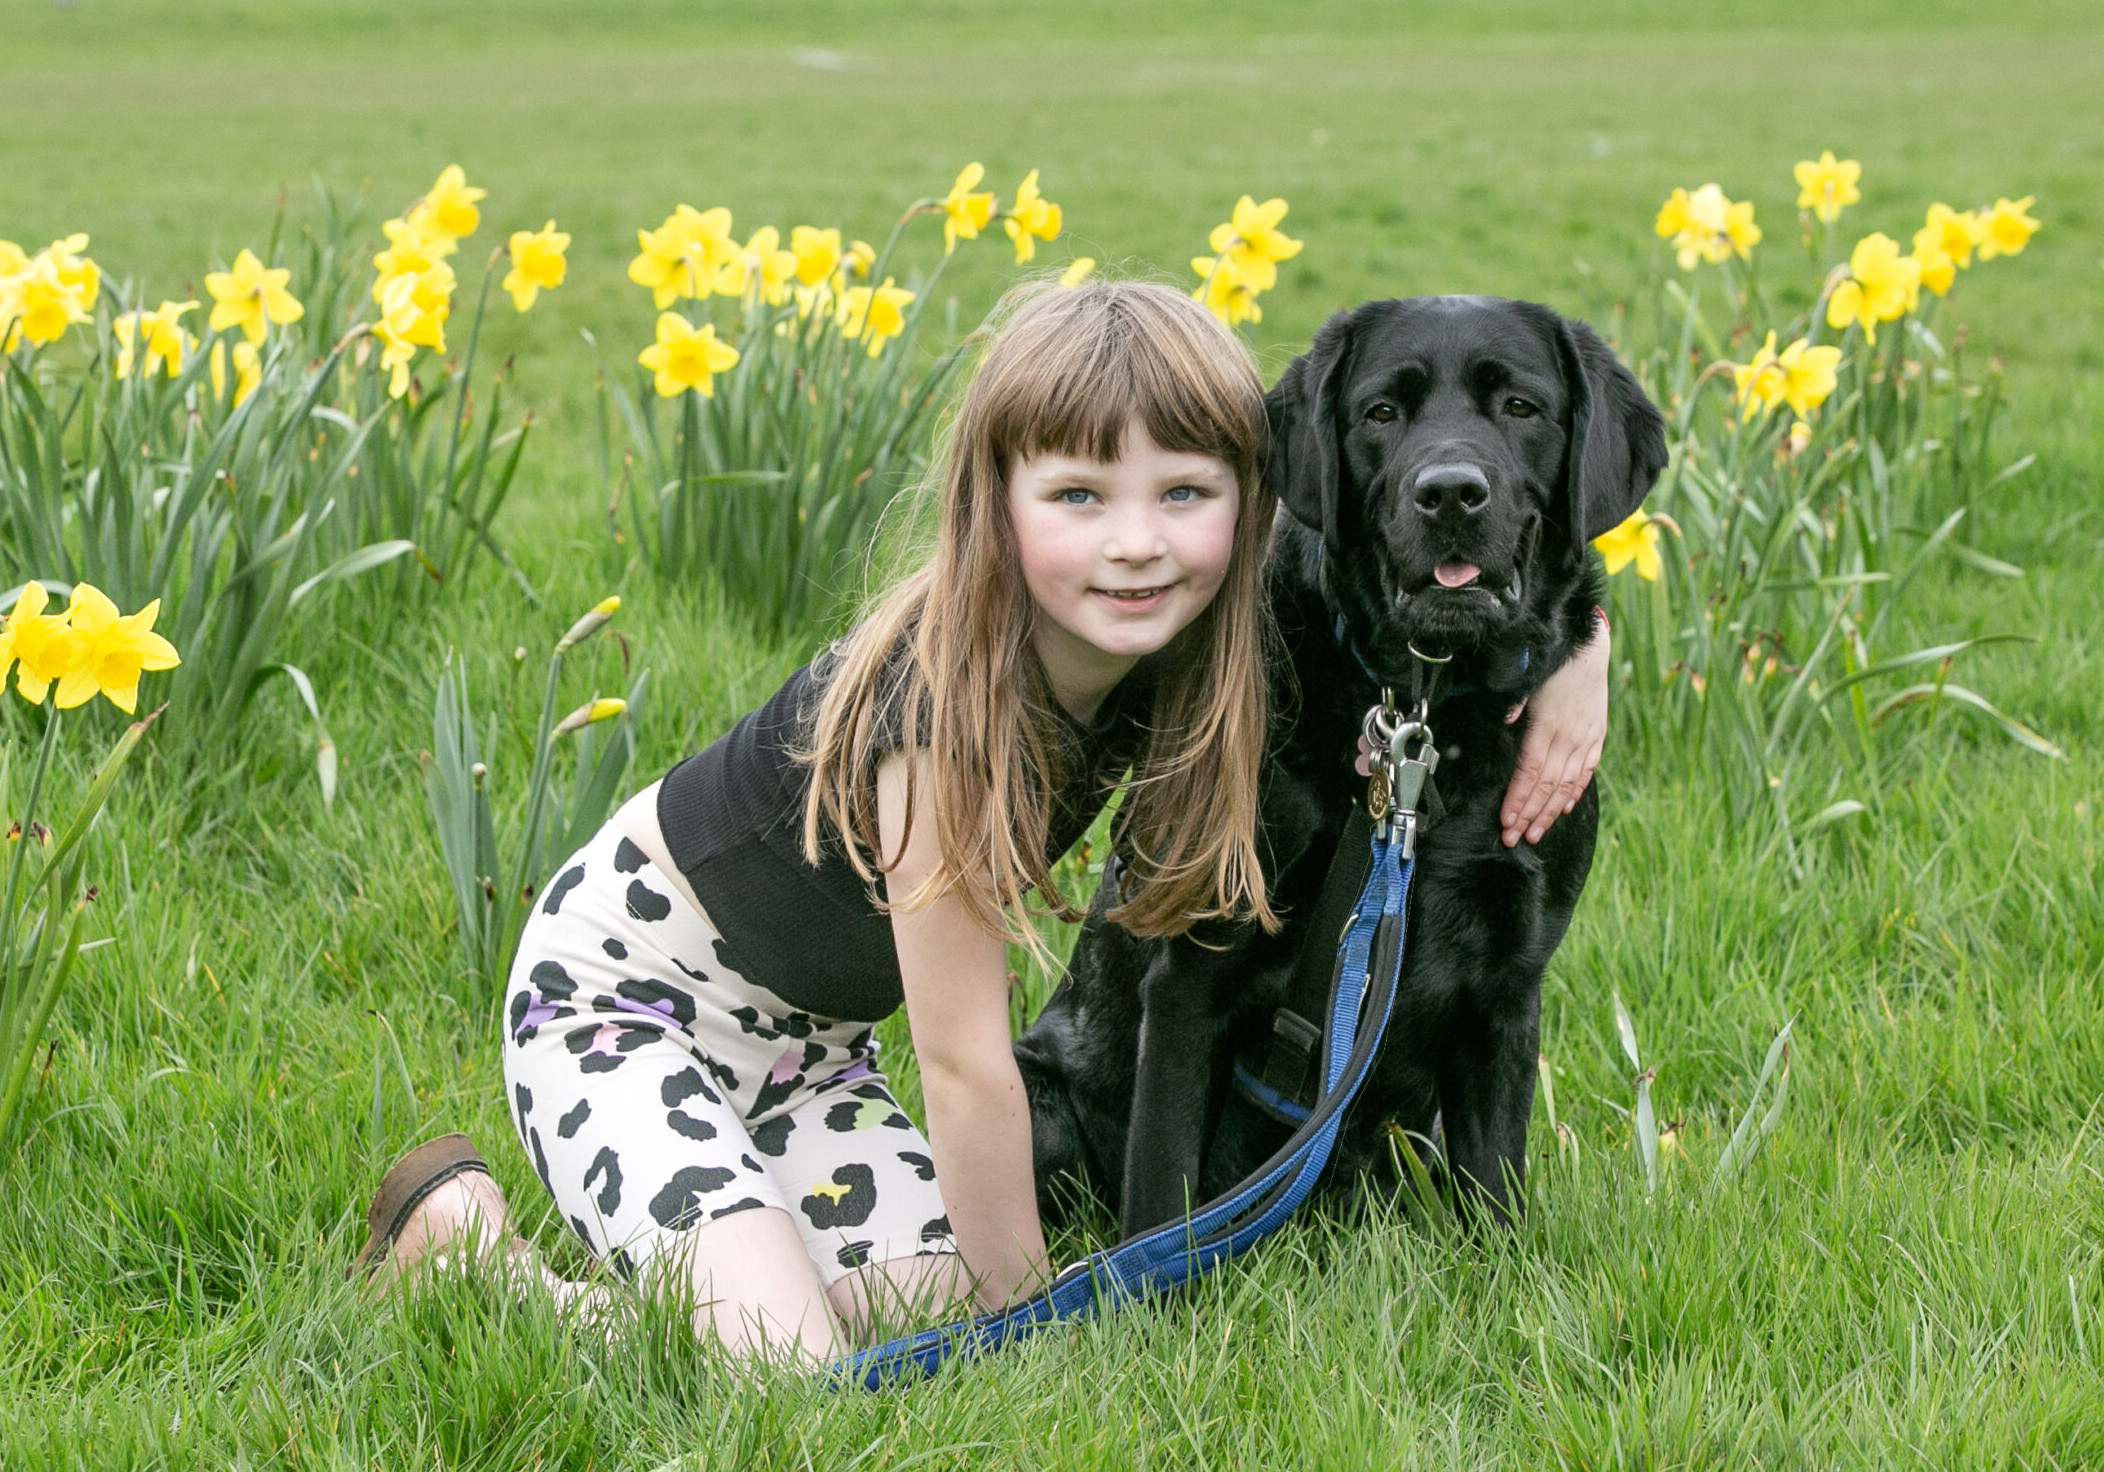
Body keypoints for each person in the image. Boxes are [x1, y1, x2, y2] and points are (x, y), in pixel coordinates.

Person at [352, 279, 1611, 1366]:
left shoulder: (1175, 623)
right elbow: (961, 1064)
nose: (1136, 544)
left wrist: (1580, 657)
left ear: (1252, 497)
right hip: (623, 1013)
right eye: (1076, 496)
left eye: (1183, 492)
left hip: (809, 1059)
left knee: (925, 1312)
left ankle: (745, 1248)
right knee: (789, 1368)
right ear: (992, 500)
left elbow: (1441, 589)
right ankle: (472, 1257)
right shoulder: (937, 719)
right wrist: (1044, 1328)